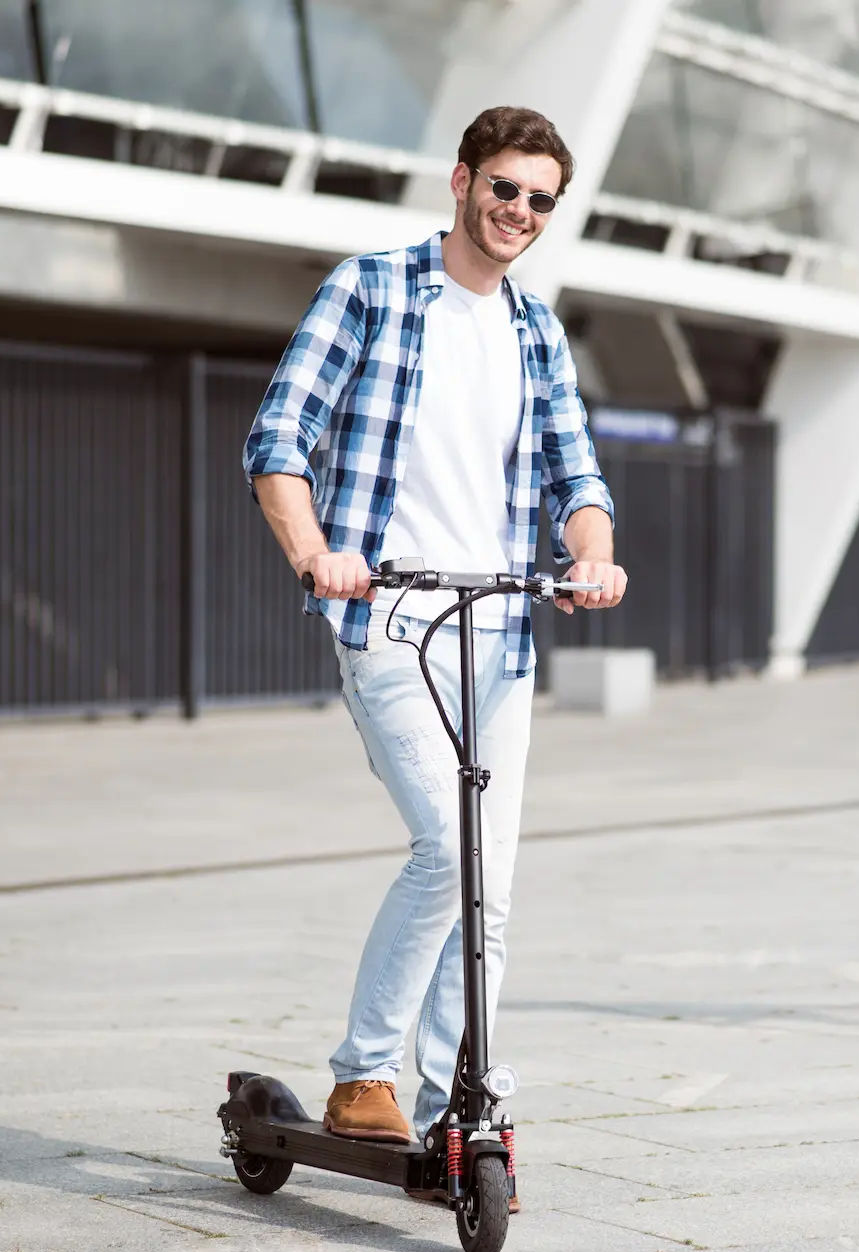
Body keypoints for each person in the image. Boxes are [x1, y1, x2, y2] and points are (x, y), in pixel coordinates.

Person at [243, 106, 627, 1177]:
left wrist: (592, 550)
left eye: (541, 199)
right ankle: (364, 1073)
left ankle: (463, 1094)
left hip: (499, 636)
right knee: (446, 847)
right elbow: (278, 436)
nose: (520, 213)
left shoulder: (535, 329)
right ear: (460, 181)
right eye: (504, 187)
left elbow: (576, 476)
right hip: (386, 618)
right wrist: (317, 551)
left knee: (490, 879)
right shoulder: (369, 288)